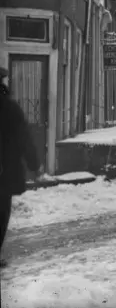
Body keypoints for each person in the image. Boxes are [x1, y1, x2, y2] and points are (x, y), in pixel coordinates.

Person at [0, 67, 41, 267]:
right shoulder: (9, 108)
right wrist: (34, 163)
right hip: (3, 172)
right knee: (1, 213)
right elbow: (23, 137)